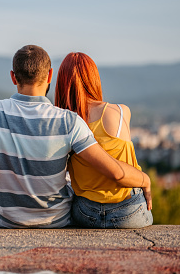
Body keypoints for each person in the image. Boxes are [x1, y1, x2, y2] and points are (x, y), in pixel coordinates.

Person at [0, 45, 152, 240]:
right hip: (56, 221)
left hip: (4, 220)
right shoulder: (69, 121)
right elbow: (114, 171)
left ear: (14, 77)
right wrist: (145, 180)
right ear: (50, 76)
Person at [55, 52, 153, 228]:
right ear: (93, 79)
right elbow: (122, 167)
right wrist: (145, 180)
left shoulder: (64, 121)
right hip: (128, 212)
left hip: (85, 213)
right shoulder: (120, 112)